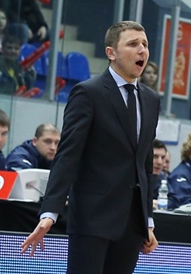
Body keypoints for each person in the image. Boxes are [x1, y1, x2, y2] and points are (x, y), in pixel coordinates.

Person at [21, 21, 161, 273]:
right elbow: (68, 155)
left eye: (145, 44)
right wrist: (49, 212)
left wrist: (147, 220)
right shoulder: (88, 93)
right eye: (133, 44)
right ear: (111, 52)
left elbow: (145, 164)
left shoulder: (151, 99)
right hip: (92, 218)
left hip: (132, 224)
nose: (142, 50)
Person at [152, 139, 168, 203]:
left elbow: (174, 200)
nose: (159, 162)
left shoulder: (162, 177)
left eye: (163, 158)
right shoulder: (134, 177)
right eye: (155, 156)